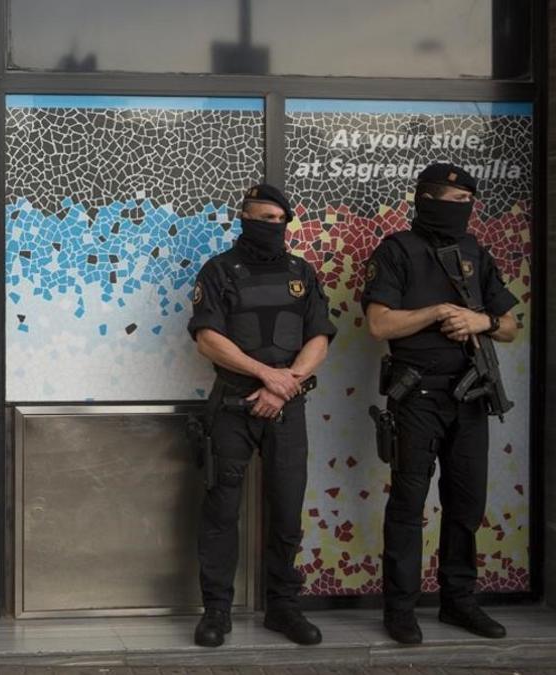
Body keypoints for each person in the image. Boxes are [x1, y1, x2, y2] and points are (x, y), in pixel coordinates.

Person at [362, 163, 518, 645]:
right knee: (408, 505)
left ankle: (459, 602)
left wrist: (480, 323)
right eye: (447, 199)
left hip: (471, 394)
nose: (457, 209)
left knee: (466, 503)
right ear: (423, 199)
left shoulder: (475, 252)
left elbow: (511, 325)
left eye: (464, 201)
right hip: (417, 396)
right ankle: (401, 609)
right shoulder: (396, 252)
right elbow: (379, 325)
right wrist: (435, 312)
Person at [187, 184, 336, 647]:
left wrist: (285, 383)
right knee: (221, 511)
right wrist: (265, 376)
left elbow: (320, 337)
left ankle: (283, 608)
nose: (270, 225)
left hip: (287, 408)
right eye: (261, 216)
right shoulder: (218, 271)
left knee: (287, 510)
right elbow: (207, 337)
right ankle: (216, 611)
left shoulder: (301, 272)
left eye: (278, 218)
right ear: (243, 216)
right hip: (233, 406)